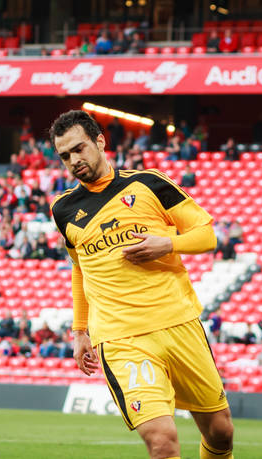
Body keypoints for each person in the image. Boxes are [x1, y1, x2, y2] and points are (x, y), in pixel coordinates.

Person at [49, 110, 233, 459]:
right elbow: (80, 267)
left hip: (179, 323)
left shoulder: (149, 184)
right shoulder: (64, 209)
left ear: (100, 141)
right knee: (162, 442)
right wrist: (79, 331)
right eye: (65, 156)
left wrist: (168, 244)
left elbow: (207, 235)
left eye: (79, 149)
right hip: (121, 337)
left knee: (221, 433)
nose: (74, 161)